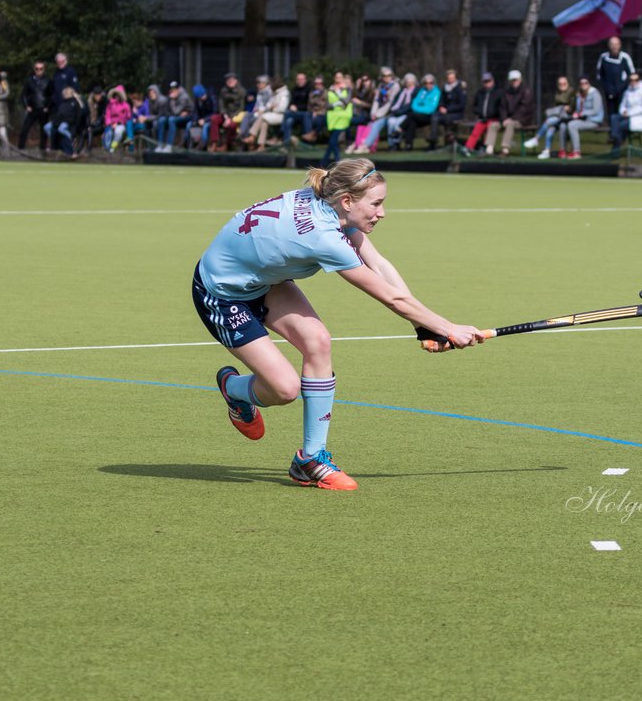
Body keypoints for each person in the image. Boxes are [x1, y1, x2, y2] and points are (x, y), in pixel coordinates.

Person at [193, 158, 484, 491]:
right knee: (285, 390)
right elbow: (391, 299)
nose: (382, 212)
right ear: (348, 201)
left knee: (319, 341)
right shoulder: (322, 235)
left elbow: (378, 264)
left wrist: (424, 326)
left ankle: (310, 460)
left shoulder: (330, 205)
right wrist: (448, 327)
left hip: (264, 281)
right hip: (221, 292)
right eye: (376, 203)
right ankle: (233, 390)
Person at [525, 75, 574, 158]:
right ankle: (546, 151)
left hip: (569, 118)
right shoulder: (557, 93)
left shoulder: (572, 92)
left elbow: (570, 108)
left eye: (564, 83)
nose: (562, 85)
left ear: (568, 83)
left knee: (549, 121)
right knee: (550, 129)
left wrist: (563, 108)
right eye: (560, 83)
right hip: (559, 118)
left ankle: (536, 138)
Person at [597, 36, 634, 142]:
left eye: (616, 44)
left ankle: (621, 135)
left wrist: (620, 88)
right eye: (612, 44)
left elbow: (630, 74)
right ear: (609, 45)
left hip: (622, 93)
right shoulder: (603, 57)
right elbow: (600, 75)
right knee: (611, 114)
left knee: (621, 113)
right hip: (608, 92)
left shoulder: (625, 57)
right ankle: (612, 135)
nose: (614, 46)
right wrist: (608, 88)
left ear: (620, 45)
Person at [558, 76, 604, 159]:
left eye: (586, 83)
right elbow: (577, 109)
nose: (584, 85)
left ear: (589, 84)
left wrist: (581, 114)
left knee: (572, 125)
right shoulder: (579, 95)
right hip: (582, 120)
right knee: (562, 125)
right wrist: (574, 112)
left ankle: (576, 152)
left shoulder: (595, 94)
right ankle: (563, 150)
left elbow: (595, 110)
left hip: (594, 121)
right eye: (582, 83)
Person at [460, 72, 503, 156]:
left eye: (489, 81)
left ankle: (486, 148)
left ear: (492, 81)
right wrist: (478, 111)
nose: (487, 84)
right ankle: (468, 147)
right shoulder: (480, 93)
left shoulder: (498, 93)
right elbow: (475, 106)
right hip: (482, 118)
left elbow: (501, 107)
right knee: (476, 131)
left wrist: (496, 114)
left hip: (494, 119)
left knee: (490, 129)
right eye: (485, 82)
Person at [612, 71, 642, 153]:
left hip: (640, 118)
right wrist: (623, 112)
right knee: (614, 117)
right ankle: (615, 137)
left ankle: (615, 149)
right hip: (627, 115)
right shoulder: (628, 91)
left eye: (636, 80)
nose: (633, 82)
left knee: (620, 126)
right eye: (631, 80)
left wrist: (630, 113)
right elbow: (622, 105)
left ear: (639, 80)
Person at [497, 69, 535, 155]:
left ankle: (505, 149)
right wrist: (504, 119)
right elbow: (502, 107)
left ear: (520, 79)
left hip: (523, 120)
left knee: (510, 125)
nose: (514, 82)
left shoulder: (527, 91)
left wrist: (511, 119)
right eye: (512, 80)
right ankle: (489, 149)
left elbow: (524, 109)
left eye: (516, 80)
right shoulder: (507, 92)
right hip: (508, 119)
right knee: (493, 125)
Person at [401, 73, 440, 150]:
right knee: (412, 121)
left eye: (430, 83)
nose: (428, 85)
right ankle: (408, 144)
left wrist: (420, 108)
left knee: (411, 115)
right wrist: (421, 108)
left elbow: (430, 109)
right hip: (418, 115)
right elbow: (414, 104)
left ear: (433, 83)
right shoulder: (422, 91)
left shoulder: (436, 92)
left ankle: (400, 128)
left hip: (429, 117)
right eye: (426, 83)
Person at [19, 61, 50, 154]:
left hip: (43, 109)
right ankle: (20, 148)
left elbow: (51, 95)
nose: (39, 70)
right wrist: (26, 106)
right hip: (33, 109)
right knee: (25, 128)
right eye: (37, 68)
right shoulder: (29, 81)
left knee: (43, 131)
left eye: (41, 68)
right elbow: (24, 95)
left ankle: (42, 149)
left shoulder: (48, 81)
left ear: (44, 69)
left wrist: (48, 106)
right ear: (34, 69)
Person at [45, 85, 85, 158]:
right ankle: (53, 145)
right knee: (47, 127)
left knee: (61, 129)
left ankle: (71, 139)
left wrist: (75, 126)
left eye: (66, 93)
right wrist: (55, 122)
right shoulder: (62, 103)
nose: (65, 94)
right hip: (59, 122)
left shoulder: (75, 103)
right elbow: (58, 115)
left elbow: (77, 117)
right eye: (64, 93)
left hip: (69, 123)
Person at [322, 72, 353, 165]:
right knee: (333, 141)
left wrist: (337, 93)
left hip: (343, 116)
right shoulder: (330, 89)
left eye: (340, 77)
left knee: (333, 140)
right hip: (332, 117)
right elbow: (327, 105)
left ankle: (330, 162)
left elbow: (346, 102)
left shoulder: (347, 89)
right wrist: (334, 104)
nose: (338, 79)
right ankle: (329, 162)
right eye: (336, 77)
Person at [434, 69, 466, 147]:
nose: (450, 80)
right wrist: (441, 107)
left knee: (447, 119)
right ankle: (433, 140)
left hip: (457, 113)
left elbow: (462, 105)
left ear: (455, 78)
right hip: (445, 112)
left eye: (452, 78)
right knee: (434, 117)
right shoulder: (445, 87)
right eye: (449, 78)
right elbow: (441, 100)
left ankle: (450, 141)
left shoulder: (460, 88)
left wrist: (448, 109)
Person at [281, 71, 313, 144]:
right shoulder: (294, 90)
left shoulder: (309, 89)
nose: (300, 81)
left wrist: (297, 107)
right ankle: (286, 143)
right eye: (298, 79)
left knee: (286, 114)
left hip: (305, 112)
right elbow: (291, 102)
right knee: (288, 121)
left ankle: (308, 137)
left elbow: (309, 104)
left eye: (301, 79)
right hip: (295, 113)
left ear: (305, 80)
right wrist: (291, 106)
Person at [217, 73, 246, 150]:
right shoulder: (223, 91)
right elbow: (221, 106)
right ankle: (213, 143)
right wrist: (226, 117)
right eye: (228, 81)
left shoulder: (241, 91)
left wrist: (231, 118)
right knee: (214, 119)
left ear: (236, 81)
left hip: (236, 115)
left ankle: (226, 144)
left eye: (232, 80)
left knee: (232, 125)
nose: (230, 82)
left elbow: (241, 108)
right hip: (226, 115)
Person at [103, 86, 133, 151]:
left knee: (118, 132)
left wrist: (118, 123)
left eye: (118, 95)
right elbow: (107, 115)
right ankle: (107, 147)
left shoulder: (125, 105)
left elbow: (127, 117)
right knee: (108, 132)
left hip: (121, 124)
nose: (117, 96)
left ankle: (113, 147)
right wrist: (110, 123)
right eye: (116, 94)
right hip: (111, 124)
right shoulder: (110, 104)